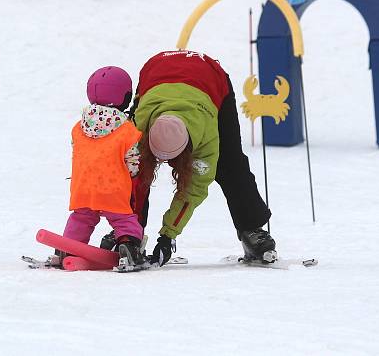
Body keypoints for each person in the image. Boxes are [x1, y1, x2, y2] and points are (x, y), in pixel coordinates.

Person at [129, 50, 277, 266]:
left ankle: (252, 230)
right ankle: (129, 230)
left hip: (209, 77)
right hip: (156, 72)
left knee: (229, 161)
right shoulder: (138, 129)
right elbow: (133, 178)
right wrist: (128, 234)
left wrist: (168, 236)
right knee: (134, 167)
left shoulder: (207, 138)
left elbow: (194, 188)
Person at [61, 66, 145, 267]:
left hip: (82, 187)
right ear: (125, 97)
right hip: (112, 189)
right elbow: (133, 162)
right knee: (124, 220)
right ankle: (128, 245)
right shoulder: (127, 130)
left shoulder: (78, 128)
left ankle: (67, 247)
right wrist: (132, 175)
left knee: (81, 219)